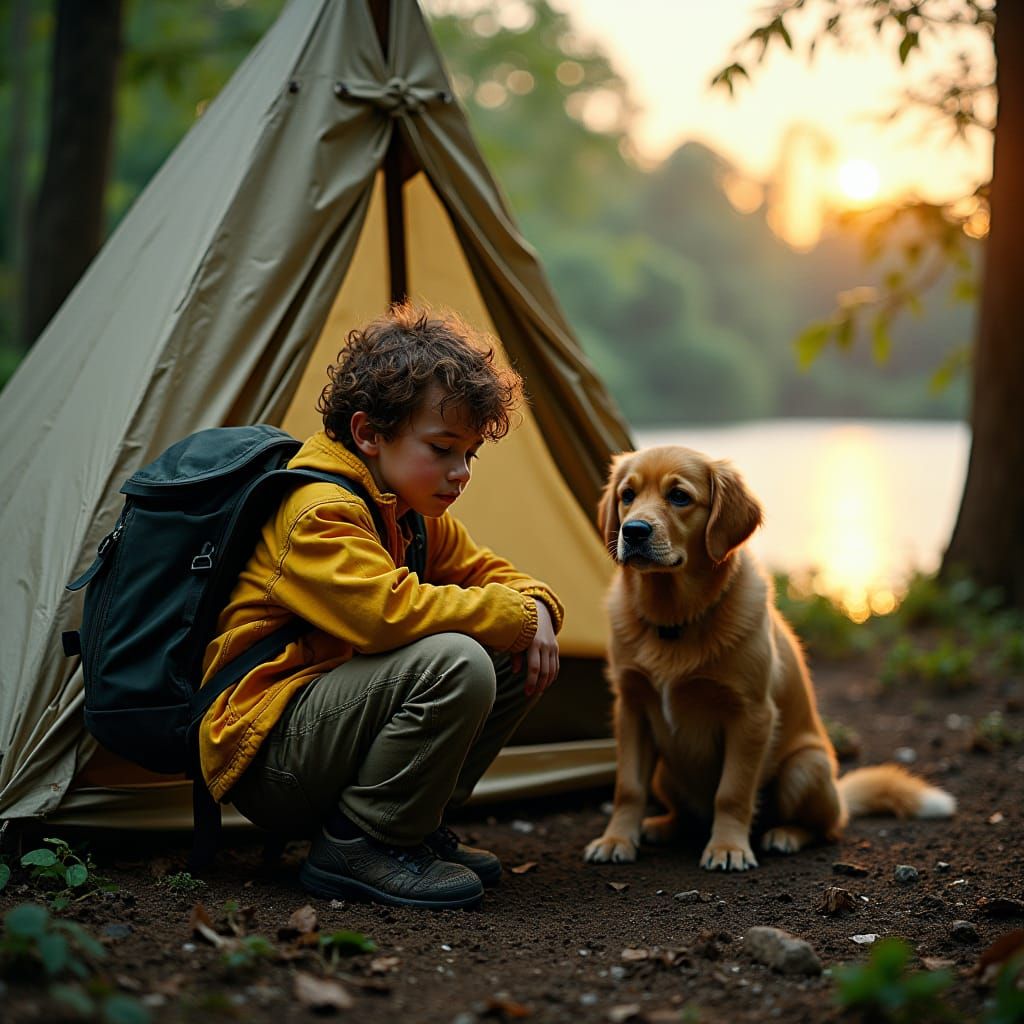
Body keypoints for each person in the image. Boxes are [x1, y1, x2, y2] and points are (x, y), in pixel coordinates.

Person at [198, 303, 562, 910]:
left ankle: (412, 826)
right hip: (268, 754)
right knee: (458, 660)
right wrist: (517, 616)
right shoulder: (317, 510)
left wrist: (538, 606)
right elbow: (382, 615)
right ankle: (363, 842)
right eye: (443, 448)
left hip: (327, 734)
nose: (461, 472)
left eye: (469, 454)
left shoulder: (407, 513)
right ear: (369, 433)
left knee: (504, 648)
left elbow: (493, 574)